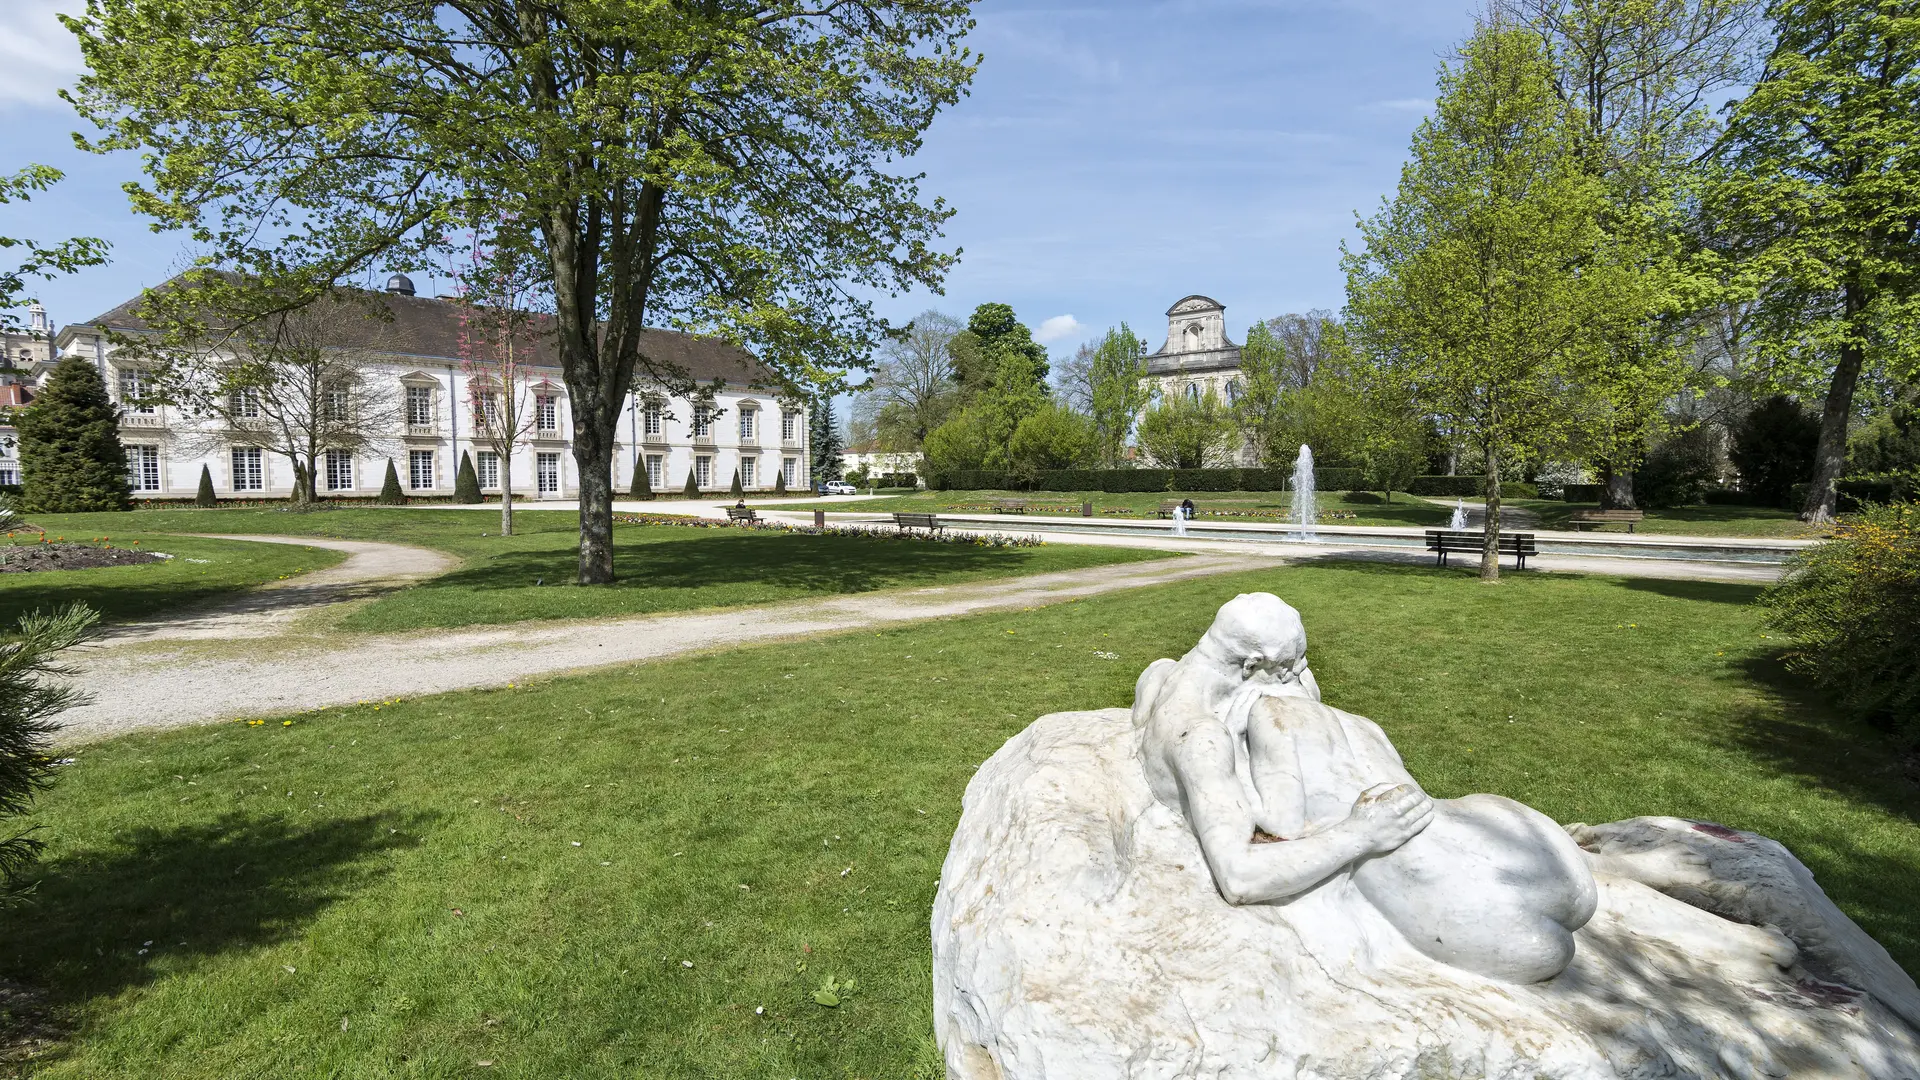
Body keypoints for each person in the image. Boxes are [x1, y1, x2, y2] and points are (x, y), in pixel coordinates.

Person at [1133, 592, 1596, 983]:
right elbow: (1240, 876)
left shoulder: (1161, 676)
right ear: (1254, 664)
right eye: (1294, 665)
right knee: (1547, 943)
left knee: (1564, 906)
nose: (1302, 674)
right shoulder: (1204, 737)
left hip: (1471, 849)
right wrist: (1361, 834)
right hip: (1456, 893)